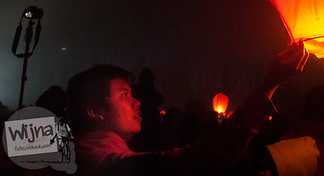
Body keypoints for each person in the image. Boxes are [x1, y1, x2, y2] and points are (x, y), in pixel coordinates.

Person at [66, 41, 309, 176]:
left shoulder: (82, 156)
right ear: (94, 111)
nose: (137, 101)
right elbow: (193, 162)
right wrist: (269, 84)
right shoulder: (104, 164)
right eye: (124, 94)